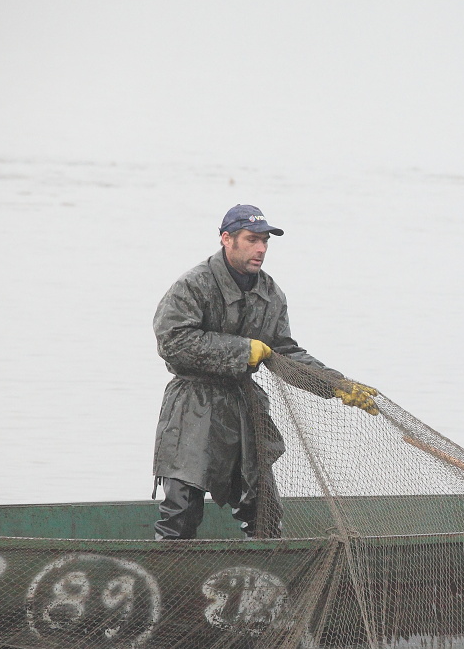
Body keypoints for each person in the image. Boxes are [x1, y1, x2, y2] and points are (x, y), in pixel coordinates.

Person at [151, 204, 379, 540]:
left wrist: (334, 384)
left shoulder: (270, 293)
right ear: (226, 239)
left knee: (265, 513)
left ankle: (265, 570)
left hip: (244, 408)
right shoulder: (193, 284)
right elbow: (172, 342)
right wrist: (243, 350)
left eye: (265, 241)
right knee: (181, 514)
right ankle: (170, 569)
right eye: (252, 239)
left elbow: (285, 352)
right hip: (192, 407)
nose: (261, 249)